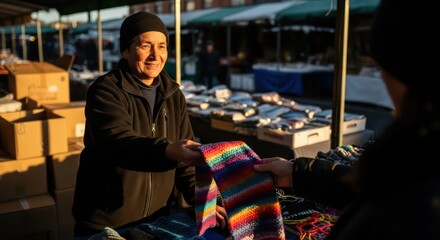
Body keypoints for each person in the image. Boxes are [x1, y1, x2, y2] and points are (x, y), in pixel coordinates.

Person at [254, 0, 440, 239]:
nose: (382, 77)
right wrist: (296, 172)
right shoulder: (416, 157)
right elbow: (368, 187)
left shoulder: (416, 195)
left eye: (383, 66)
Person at [72, 11, 226, 237]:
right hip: (105, 224)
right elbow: (117, 143)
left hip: (156, 220)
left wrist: (203, 200)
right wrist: (168, 150)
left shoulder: (173, 95)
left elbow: (187, 162)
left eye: (162, 46)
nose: (156, 55)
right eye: (146, 46)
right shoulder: (105, 91)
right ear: (125, 50)